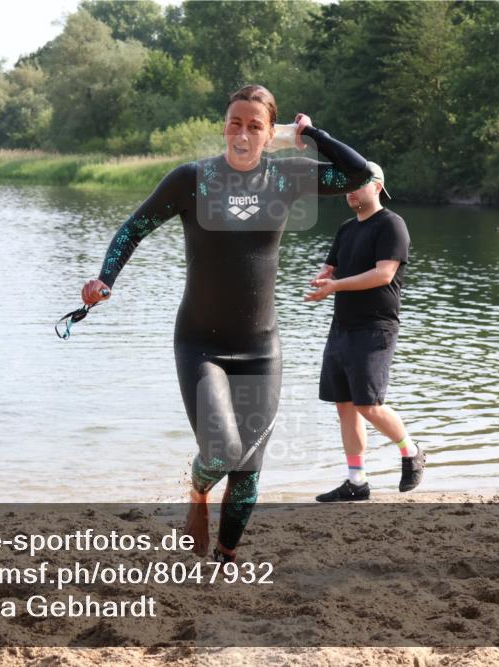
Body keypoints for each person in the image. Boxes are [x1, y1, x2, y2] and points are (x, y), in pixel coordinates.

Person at [80, 85, 372, 561]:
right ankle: (197, 492)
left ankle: (225, 555)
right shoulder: (192, 179)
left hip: (261, 348)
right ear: (224, 126)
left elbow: (360, 173)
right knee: (220, 453)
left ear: (268, 133)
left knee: (249, 468)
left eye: (255, 126)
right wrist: (104, 278)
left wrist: (309, 135)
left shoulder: (286, 178)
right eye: (235, 122)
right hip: (200, 345)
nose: (242, 133)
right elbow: (134, 227)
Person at [305, 161, 426, 501]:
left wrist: (335, 286)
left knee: (368, 404)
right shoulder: (346, 228)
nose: (349, 190)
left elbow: (383, 275)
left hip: (375, 327)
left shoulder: (392, 225)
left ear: (377, 186)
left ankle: (410, 450)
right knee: (344, 404)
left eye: (357, 183)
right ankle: (356, 482)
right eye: (347, 184)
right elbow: (332, 266)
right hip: (341, 327)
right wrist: (323, 278)